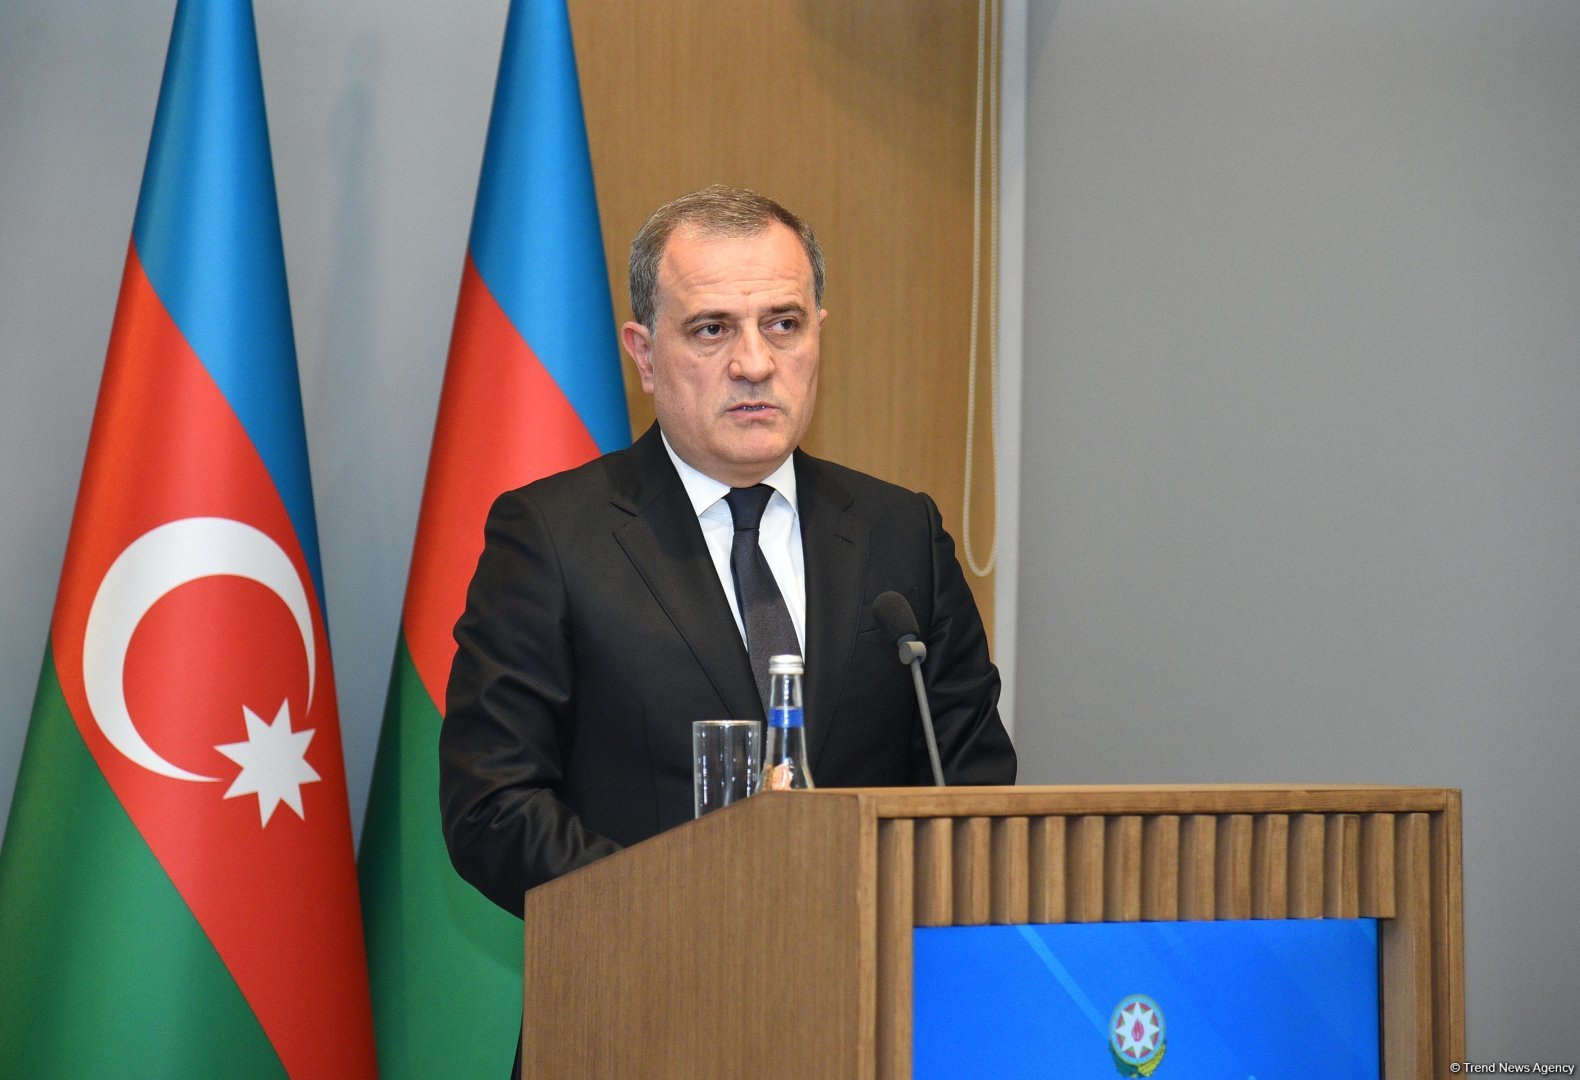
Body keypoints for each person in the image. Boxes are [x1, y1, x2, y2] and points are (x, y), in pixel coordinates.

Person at [440, 186, 1016, 918]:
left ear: (818, 335)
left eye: (783, 324)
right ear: (645, 356)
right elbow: (492, 805)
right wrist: (690, 911)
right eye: (712, 329)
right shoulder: (552, 537)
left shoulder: (902, 533)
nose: (755, 362)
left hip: (870, 973)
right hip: (645, 973)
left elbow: (971, 788)